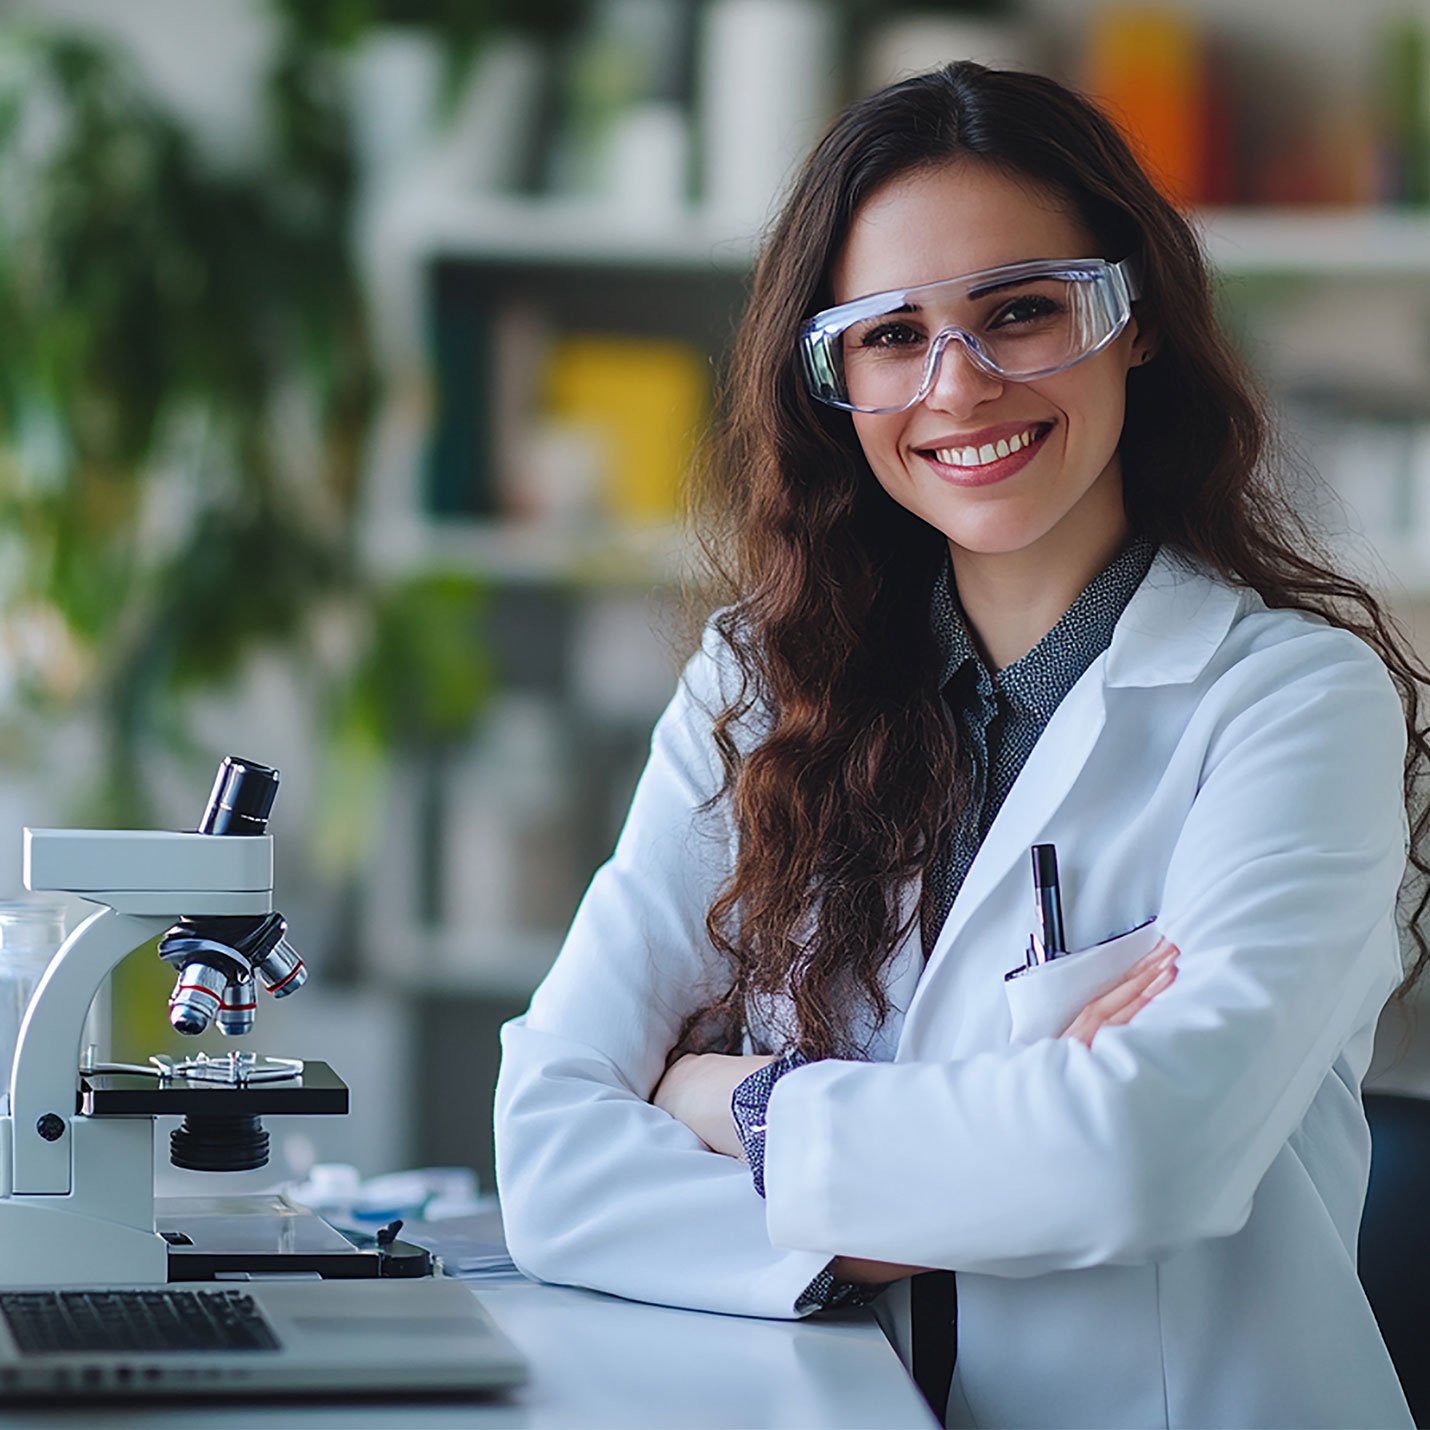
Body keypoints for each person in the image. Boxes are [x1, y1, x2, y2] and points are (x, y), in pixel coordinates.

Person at [494, 62, 1427, 1429]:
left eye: (1019, 311)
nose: (959, 386)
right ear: (834, 380)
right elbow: (551, 1153)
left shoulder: (1289, 704)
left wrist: (735, 1100)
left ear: (1134, 318)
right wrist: (1017, 1136)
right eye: (889, 335)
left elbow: (1137, 1163)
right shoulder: (757, 690)